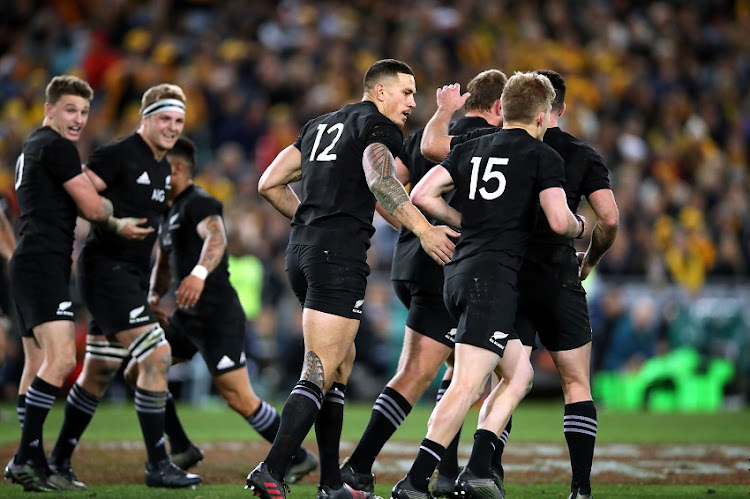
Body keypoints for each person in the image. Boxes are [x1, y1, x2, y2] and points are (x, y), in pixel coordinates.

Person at [246, 59, 458, 499]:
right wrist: (423, 229)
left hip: (301, 253)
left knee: (340, 366)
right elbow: (382, 181)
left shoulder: (320, 124)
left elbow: (270, 183)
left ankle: (331, 484)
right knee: (319, 369)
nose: (411, 103)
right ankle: (271, 469)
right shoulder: (378, 128)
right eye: (406, 92)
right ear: (380, 92)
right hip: (337, 258)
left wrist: (309, 220)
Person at [421, 70, 619, 499]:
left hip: (505, 277)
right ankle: (580, 488)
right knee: (574, 383)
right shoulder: (571, 153)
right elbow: (608, 218)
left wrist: (442, 114)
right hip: (553, 275)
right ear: (554, 111)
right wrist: (591, 255)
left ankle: (484, 470)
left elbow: (433, 151)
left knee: (502, 376)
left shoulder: (480, 145)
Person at [340, 69, 507, 499]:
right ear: (498, 107)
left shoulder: (421, 139)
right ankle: (357, 467)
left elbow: (382, 188)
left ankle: (448, 475)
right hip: (447, 269)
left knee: (459, 374)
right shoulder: (488, 144)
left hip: (414, 265)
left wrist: (412, 230)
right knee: (418, 374)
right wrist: (437, 231)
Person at [121, 136, 318, 482]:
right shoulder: (169, 210)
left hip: (217, 316)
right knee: (138, 371)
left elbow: (216, 237)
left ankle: (298, 456)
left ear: (178, 169)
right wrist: (154, 296)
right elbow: (166, 260)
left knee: (239, 398)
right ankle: (182, 446)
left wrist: (198, 273)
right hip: (187, 316)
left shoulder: (200, 203)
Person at [46, 83, 202, 489]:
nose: (171, 127)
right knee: (157, 356)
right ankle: (158, 464)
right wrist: (110, 222)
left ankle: (58, 462)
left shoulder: (164, 167)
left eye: (178, 121)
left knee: (98, 371)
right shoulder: (116, 154)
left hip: (128, 277)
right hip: (106, 271)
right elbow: (78, 194)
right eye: (164, 119)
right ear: (145, 119)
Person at [4, 75, 148, 492]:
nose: (78, 119)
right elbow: (90, 205)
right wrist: (109, 210)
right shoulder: (57, 147)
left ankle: (25, 458)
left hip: (29, 261)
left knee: (37, 363)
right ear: (49, 109)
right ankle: (27, 459)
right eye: (70, 109)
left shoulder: (33, 146)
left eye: (84, 112)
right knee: (64, 360)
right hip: (43, 263)